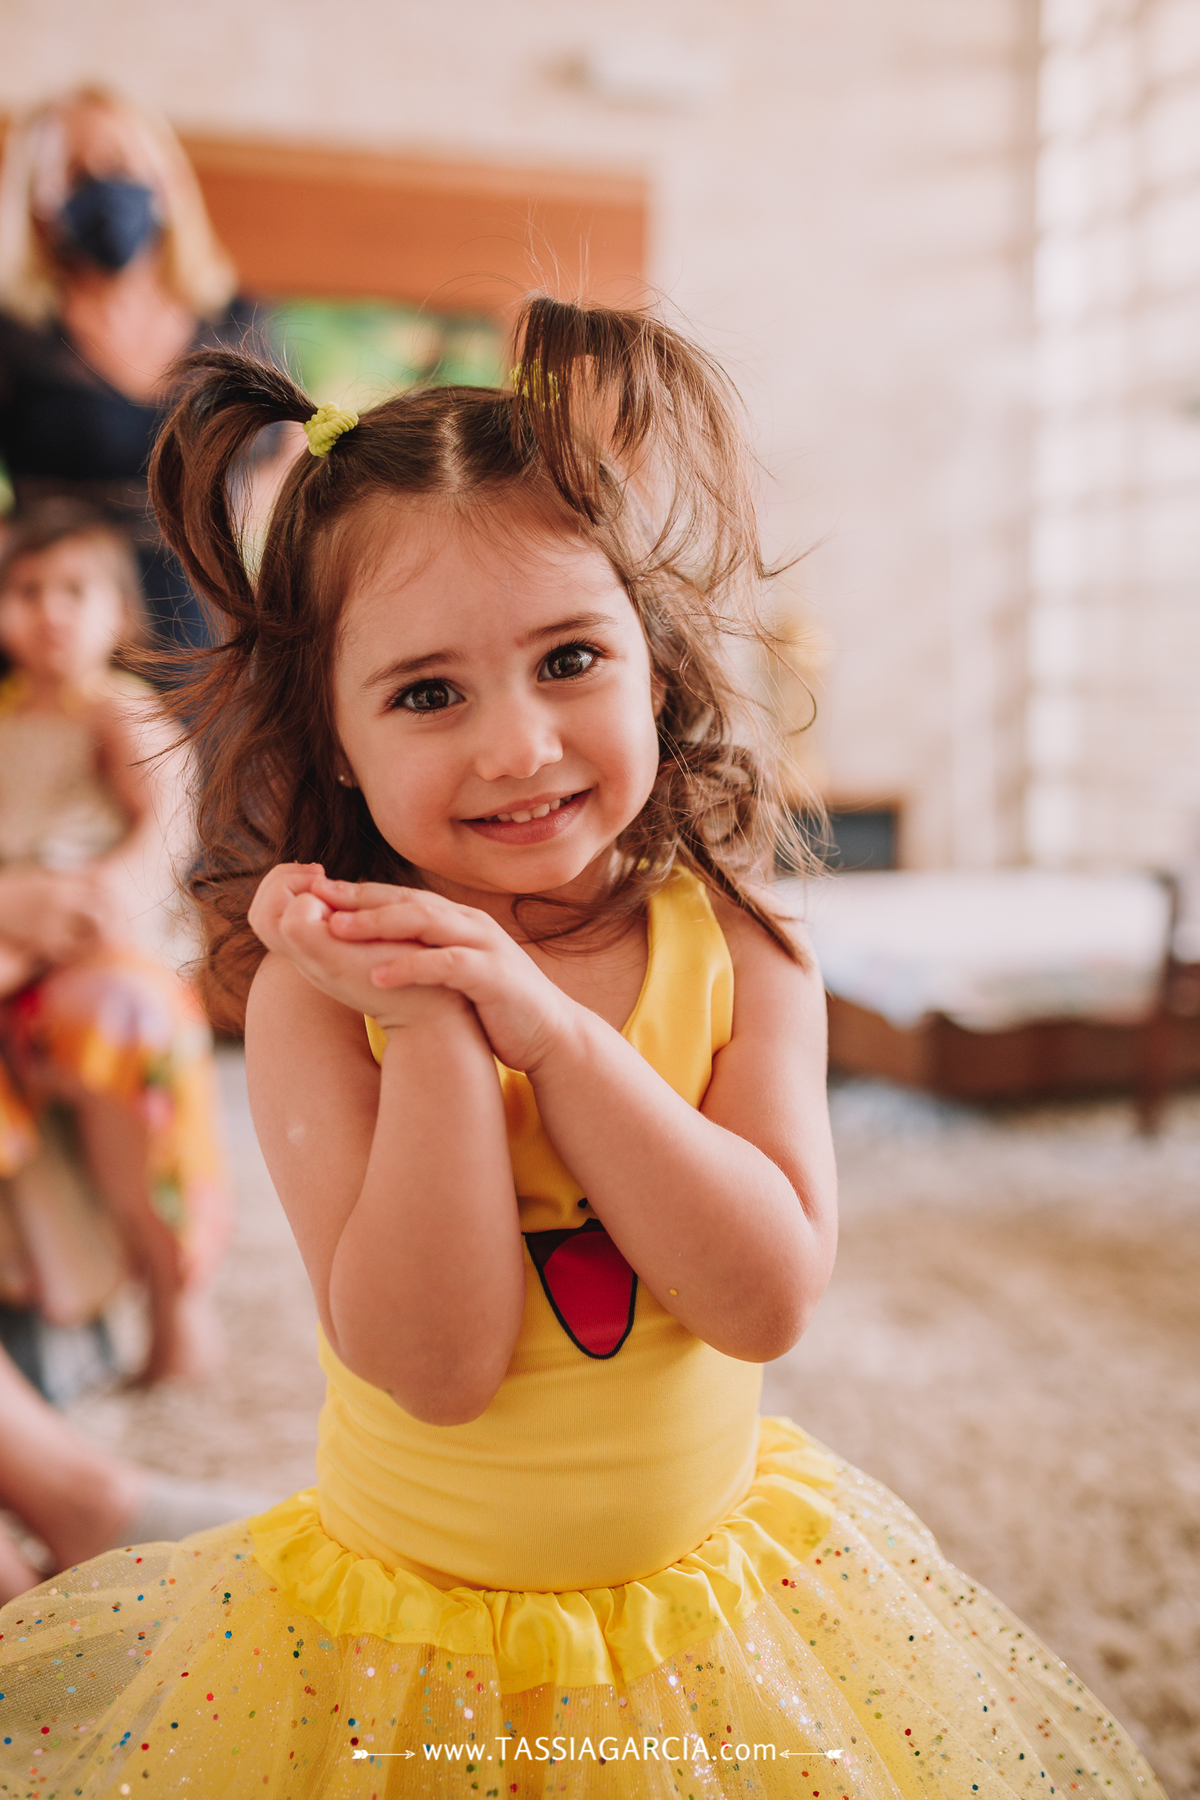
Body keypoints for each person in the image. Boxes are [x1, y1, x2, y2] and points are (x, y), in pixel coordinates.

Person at [0, 300, 1165, 1797]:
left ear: (658, 664)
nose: (517, 745)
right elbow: (436, 1363)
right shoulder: (321, 1000)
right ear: (334, 736)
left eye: (568, 658)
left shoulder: (747, 949)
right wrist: (431, 1023)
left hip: (703, 1624)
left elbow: (761, 1299)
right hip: (412, 1646)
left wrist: (549, 1034)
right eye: (428, 693)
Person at [0, 499, 229, 1383]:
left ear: (116, 611)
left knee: (124, 1035)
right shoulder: (11, 714)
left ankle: (176, 1304)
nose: (51, 609)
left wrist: (107, 894)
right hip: (21, 929)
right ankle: (55, 1297)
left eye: (74, 590)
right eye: (27, 589)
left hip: (96, 932)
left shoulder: (118, 710)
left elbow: (166, 827)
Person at [0, 85, 278, 663]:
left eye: (122, 163)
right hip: (55, 631)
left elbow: (283, 453)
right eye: (77, 171)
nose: (104, 185)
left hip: (203, 624)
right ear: (38, 201)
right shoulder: (14, 335)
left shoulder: (237, 320)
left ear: (166, 179)